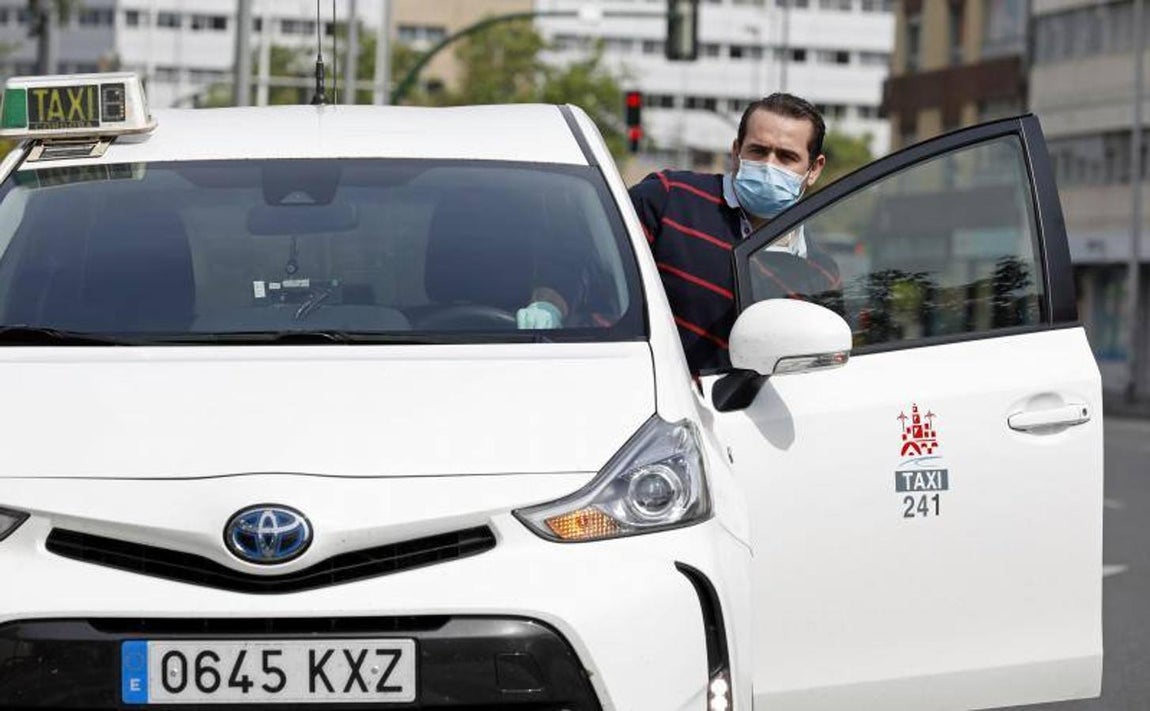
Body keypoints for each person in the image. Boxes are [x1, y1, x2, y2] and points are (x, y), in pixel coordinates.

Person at [626, 93, 841, 373]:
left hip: (752, 414)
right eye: (758, 151)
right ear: (736, 152)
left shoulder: (822, 275)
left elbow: (817, 371)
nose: (769, 166)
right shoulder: (668, 199)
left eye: (787, 157)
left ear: (814, 169)